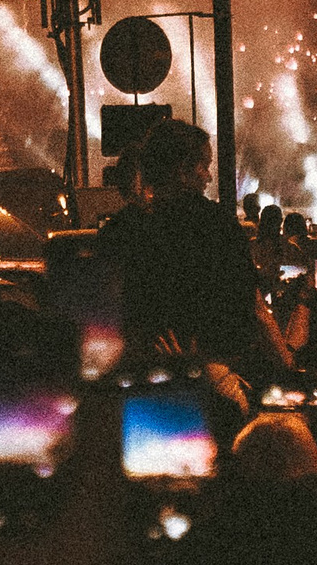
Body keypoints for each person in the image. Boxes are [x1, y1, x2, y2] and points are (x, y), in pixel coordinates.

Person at [95, 119, 293, 388]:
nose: (209, 176)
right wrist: (292, 373)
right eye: (204, 166)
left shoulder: (117, 230)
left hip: (132, 379)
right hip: (207, 376)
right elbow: (255, 311)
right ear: (182, 170)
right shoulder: (217, 225)